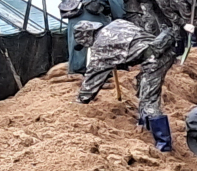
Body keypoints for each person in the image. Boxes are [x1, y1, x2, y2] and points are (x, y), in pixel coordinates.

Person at [74, 19, 177, 151]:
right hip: (163, 49)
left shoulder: (100, 47)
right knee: (142, 85)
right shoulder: (117, 23)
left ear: (85, 38)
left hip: (154, 59)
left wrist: (80, 100)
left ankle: (164, 145)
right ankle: (145, 124)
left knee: (149, 100)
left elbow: (93, 78)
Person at [60, 0, 125, 75]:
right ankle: (104, 71)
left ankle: (76, 70)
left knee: (76, 41)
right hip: (92, 12)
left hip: (74, 12)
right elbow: (118, 11)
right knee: (104, 38)